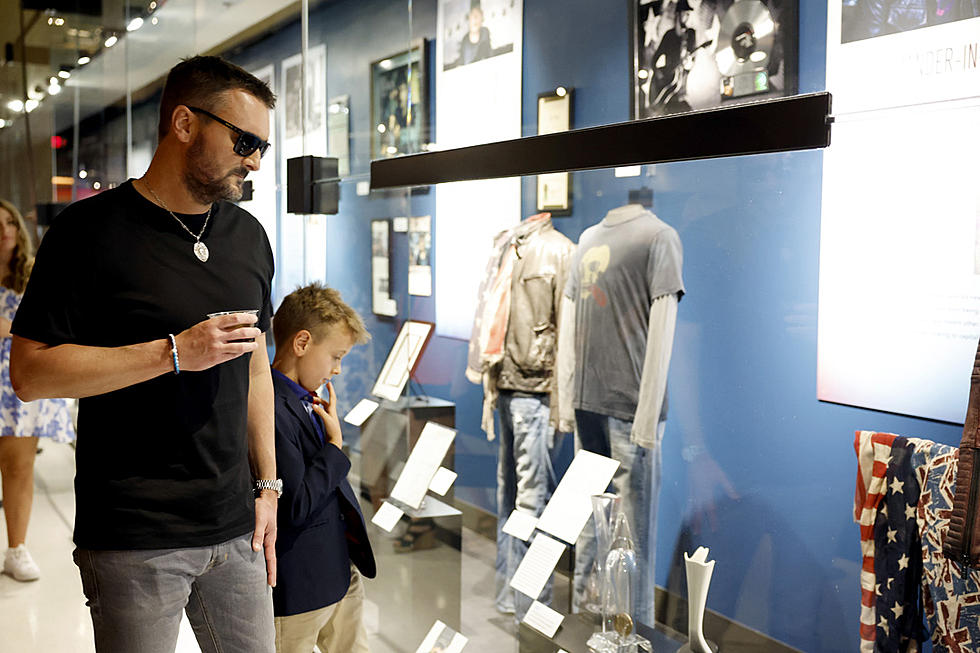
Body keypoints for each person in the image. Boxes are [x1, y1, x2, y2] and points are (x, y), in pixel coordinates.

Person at [9, 55, 279, 653]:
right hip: (134, 534)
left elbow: (255, 363)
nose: (255, 160)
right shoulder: (86, 233)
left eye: (262, 144)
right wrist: (173, 353)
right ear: (184, 123)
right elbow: (29, 373)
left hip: (238, 528)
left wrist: (269, 487)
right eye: (244, 141)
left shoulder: (248, 236)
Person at [269, 282, 376, 653]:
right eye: (335, 357)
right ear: (301, 344)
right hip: (299, 590)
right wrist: (334, 447)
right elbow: (294, 504)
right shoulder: (270, 406)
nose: (339, 369)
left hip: (338, 574)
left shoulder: (305, 400)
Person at [0, 198, 75, 582]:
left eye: (9, 223)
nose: (5, 231)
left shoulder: (31, 274)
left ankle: (17, 548)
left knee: (17, 467)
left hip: (15, 384)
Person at [457, 0, 492, 66]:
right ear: (469, 18)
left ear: (482, 18)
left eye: (478, 14)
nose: (475, 18)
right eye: (473, 14)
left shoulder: (485, 33)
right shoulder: (465, 40)